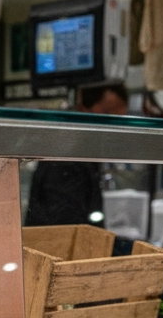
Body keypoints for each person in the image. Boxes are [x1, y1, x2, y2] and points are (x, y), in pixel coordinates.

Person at [25, 82, 129, 227]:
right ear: (83, 109)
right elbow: (71, 233)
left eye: (120, 122)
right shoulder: (66, 160)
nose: (114, 130)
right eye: (107, 116)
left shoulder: (85, 155)